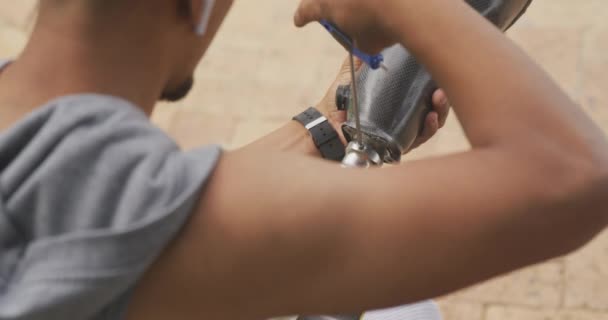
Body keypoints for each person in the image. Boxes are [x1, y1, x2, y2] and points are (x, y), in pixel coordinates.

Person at [0, 0, 606, 319]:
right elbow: (572, 175)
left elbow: (170, 197)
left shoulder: (35, 137)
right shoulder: (102, 213)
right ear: (195, 5)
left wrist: (334, 123)